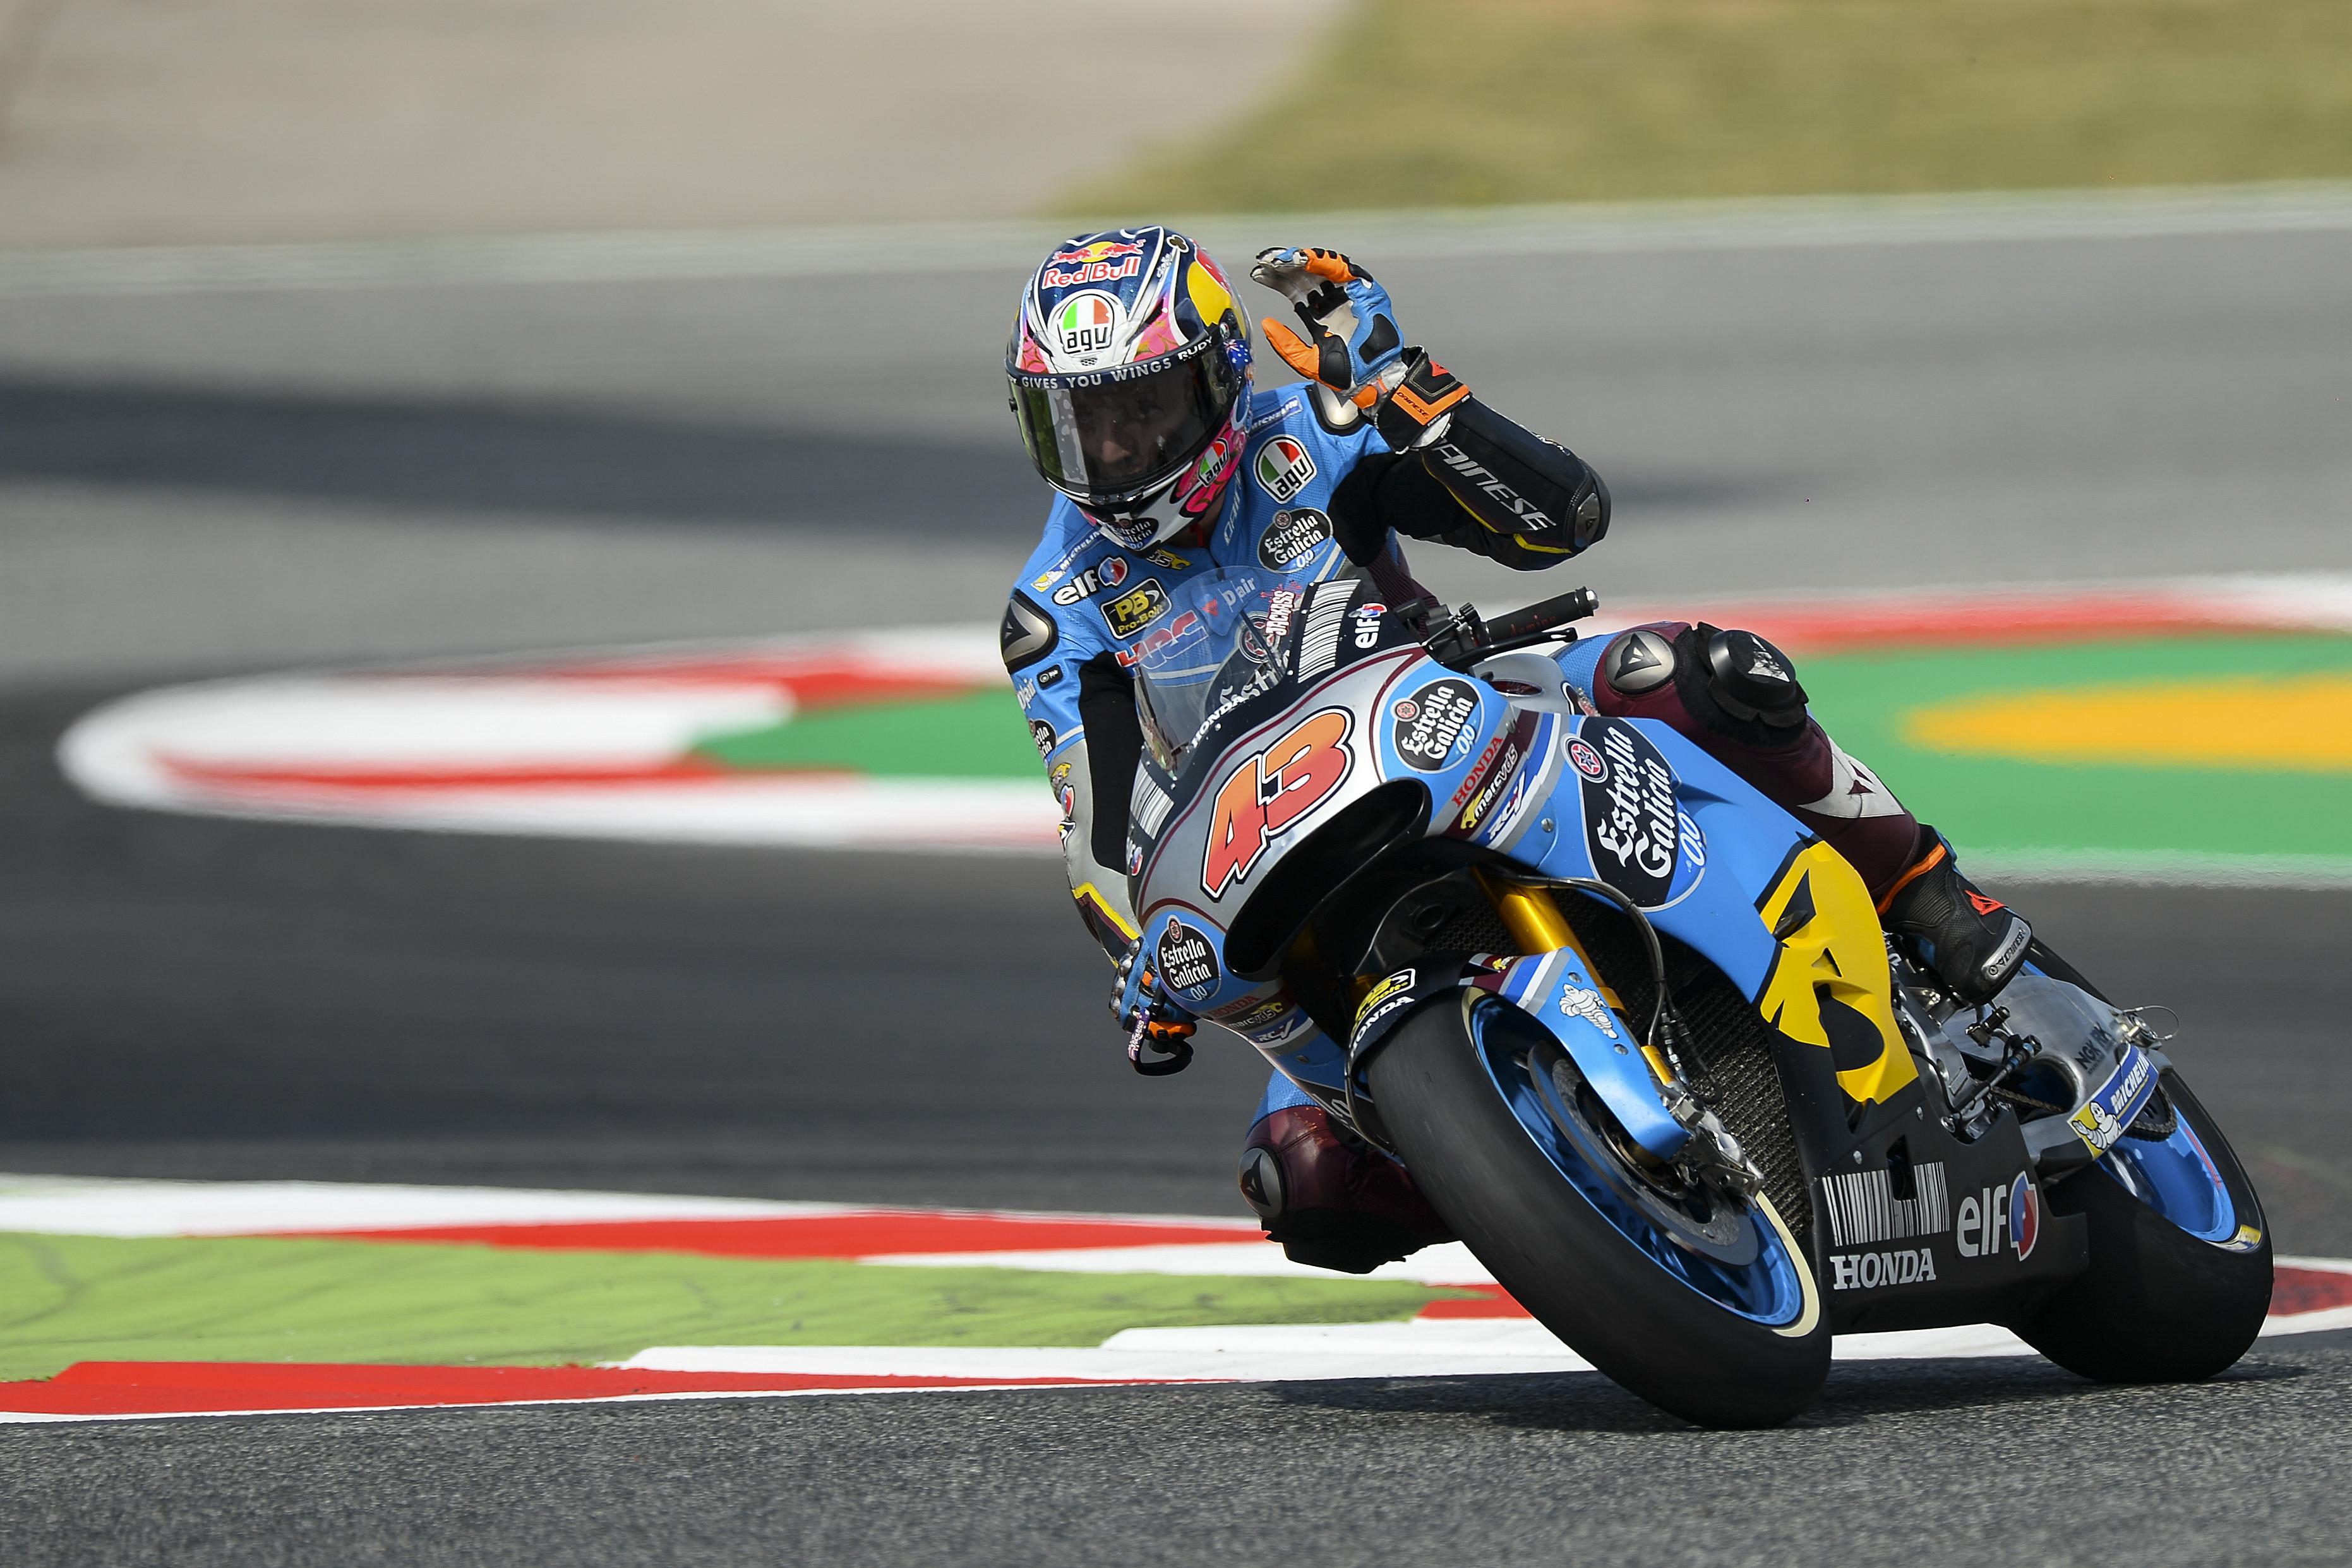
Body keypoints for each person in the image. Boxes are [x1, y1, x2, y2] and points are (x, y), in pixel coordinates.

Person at [1000, 226, 2031, 1272]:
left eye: (1142, 409)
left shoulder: (1310, 434)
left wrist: (1415, 399)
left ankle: (1923, 890)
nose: (1116, 453)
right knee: (1304, 1180)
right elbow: (1101, 831)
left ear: (1219, 381)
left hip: (1460, 712)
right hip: (1283, 853)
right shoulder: (1054, 610)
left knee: (1698, 674)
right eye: (1079, 422)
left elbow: (1561, 519)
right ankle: (1559, 1190)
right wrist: (1145, 959)